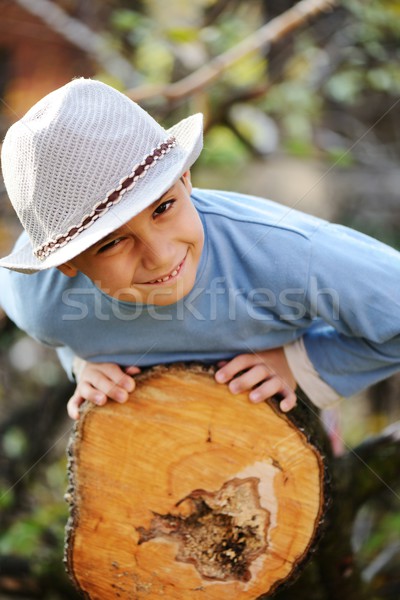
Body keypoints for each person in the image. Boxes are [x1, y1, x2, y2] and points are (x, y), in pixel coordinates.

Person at [0, 78, 399, 420]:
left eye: (163, 207)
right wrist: (81, 362)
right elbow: (52, 323)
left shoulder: (286, 251)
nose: (160, 255)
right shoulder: (38, 301)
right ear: (66, 264)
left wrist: (302, 364)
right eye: (113, 242)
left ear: (185, 179)